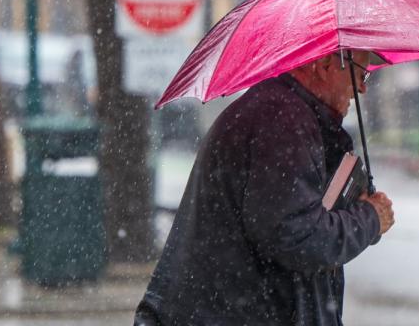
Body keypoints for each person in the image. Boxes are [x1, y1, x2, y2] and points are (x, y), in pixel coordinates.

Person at [134, 50, 395, 326]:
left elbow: (295, 216)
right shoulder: (281, 120)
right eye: (361, 72)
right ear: (325, 63)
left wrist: (358, 206)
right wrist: (368, 219)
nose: (363, 87)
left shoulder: (283, 112)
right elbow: (300, 238)